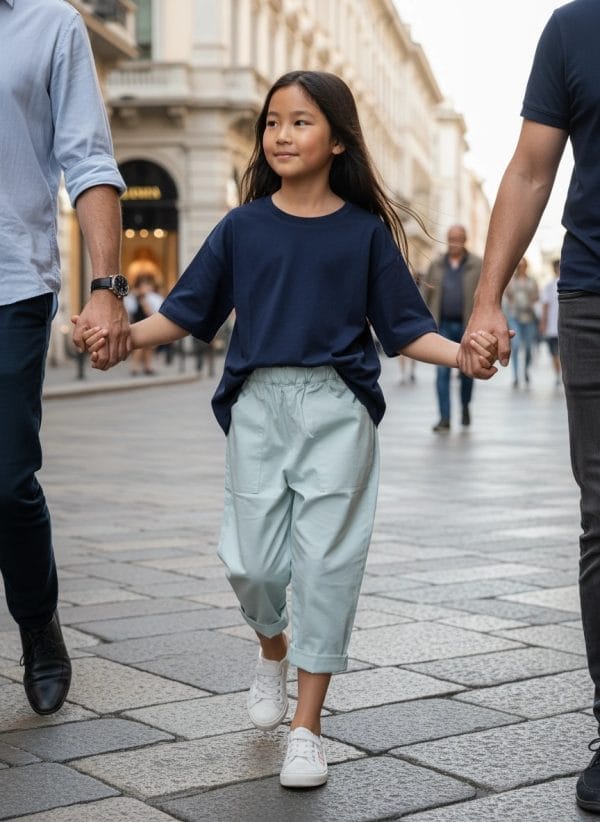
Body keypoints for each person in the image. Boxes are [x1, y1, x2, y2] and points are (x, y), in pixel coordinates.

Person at [81, 70, 498, 789]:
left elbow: (404, 329)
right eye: (273, 122)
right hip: (258, 408)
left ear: (337, 140)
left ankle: (308, 728)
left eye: (300, 122)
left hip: (338, 409)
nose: (281, 134)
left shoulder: (364, 234)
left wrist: (464, 355)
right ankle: (272, 647)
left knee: (328, 567)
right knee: (252, 564)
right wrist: (123, 339)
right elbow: (187, 314)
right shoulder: (242, 228)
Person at [456, 1, 600, 812]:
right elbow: (531, 167)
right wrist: (488, 298)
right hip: (595, 294)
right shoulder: (575, 27)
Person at [0, 0, 128, 717]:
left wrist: (107, 287)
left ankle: (38, 624)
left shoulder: (50, 24)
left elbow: (88, 157)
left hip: (11, 286)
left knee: (8, 478)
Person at [421, 225, 482, 431]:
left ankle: (465, 405)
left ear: (465, 240)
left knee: (467, 372)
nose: (455, 242)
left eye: (459, 238)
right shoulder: (437, 264)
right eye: (451, 238)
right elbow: (425, 294)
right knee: (442, 373)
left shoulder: (477, 264)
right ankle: (444, 417)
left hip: (468, 328)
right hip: (443, 326)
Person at [505, 257, 539, 387]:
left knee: (529, 347)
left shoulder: (532, 281)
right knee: (516, 345)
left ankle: (525, 370)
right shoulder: (511, 281)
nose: (521, 268)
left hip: (529, 317)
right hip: (515, 317)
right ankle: (515, 376)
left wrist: (531, 302)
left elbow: (537, 296)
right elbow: (507, 295)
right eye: (519, 266)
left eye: (523, 266)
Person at [124, 271, 163, 375]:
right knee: (139, 346)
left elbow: (155, 311)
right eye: (144, 285)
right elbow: (129, 310)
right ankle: (135, 367)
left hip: (149, 322)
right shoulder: (134, 296)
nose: (146, 287)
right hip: (138, 323)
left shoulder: (152, 297)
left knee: (149, 346)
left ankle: (148, 366)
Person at [540, 259, 561, 386]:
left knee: (564, 353)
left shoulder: (569, 284)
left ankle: (562, 373)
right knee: (554, 353)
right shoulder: (549, 286)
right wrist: (543, 322)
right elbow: (545, 305)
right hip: (552, 326)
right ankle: (558, 374)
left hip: (565, 325)